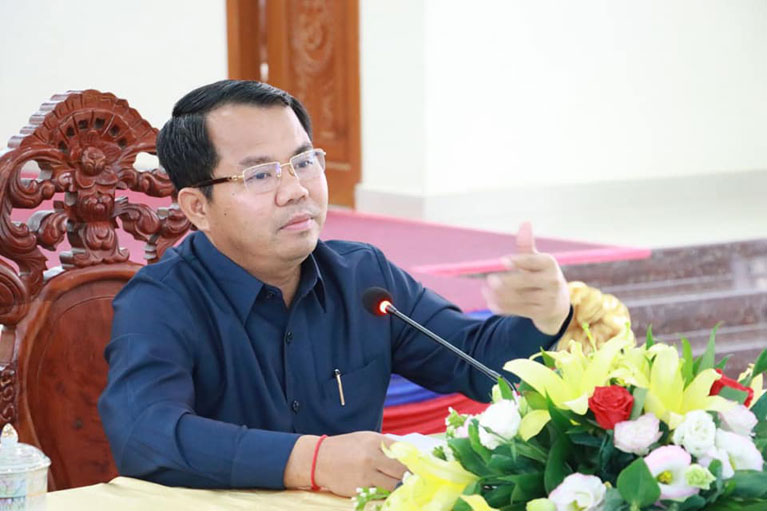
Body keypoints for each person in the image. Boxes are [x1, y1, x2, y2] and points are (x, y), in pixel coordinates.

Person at [98, 80, 572, 497]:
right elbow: (145, 435)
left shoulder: (362, 276)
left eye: (304, 161)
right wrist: (313, 461)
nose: (296, 189)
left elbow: (481, 365)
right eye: (260, 175)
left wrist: (544, 315)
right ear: (197, 207)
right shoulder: (160, 302)